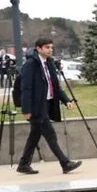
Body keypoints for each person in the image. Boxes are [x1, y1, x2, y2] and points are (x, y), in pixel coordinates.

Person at [17, 37, 81, 175]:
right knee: (50, 134)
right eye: (47, 47)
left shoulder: (50, 63)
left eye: (51, 47)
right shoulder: (30, 64)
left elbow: (55, 86)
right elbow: (26, 88)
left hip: (46, 104)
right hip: (36, 106)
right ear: (38, 48)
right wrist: (26, 109)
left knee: (35, 135)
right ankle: (65, 163)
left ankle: (23, 164)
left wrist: (66, 100)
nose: (50, 50)